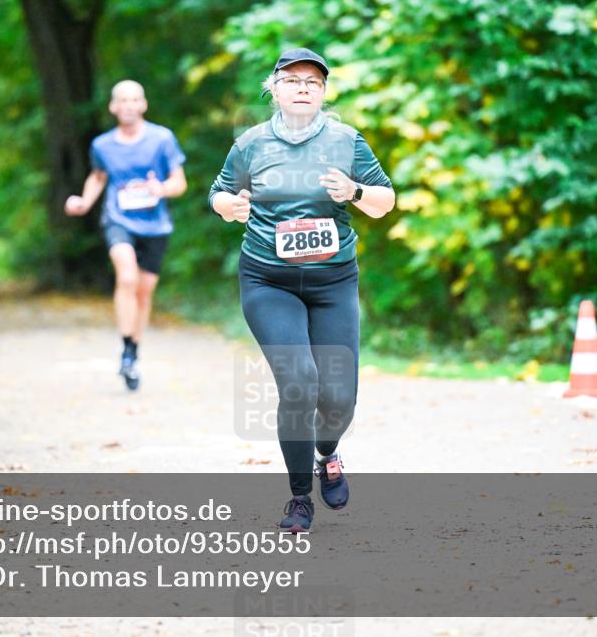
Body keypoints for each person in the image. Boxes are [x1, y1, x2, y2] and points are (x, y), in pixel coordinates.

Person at [209, 48, 395, 533]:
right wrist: (231, 205)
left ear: (324, 93)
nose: (304, 88)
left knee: (339, 398)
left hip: (333, 281)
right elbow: (219, 193)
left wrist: (353, 193)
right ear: (274, 88)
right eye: (293, 80)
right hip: (268, 279)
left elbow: (385, 201)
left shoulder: (347, 141)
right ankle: (298, 499)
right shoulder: (251, 143)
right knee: (299, 383)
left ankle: (328, 454)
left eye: (314, 82)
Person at [64, 80, 187, 391]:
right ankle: (126, 345)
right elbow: (98, 175)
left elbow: (179, 182)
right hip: (118, 220)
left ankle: (132, 351)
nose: (129, 105)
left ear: (143, 104)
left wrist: (161, 189)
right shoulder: (102, 145)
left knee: (144, 292)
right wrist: (84, 201)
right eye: (123, 100)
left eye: (135, 100)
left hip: (155, 225)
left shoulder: (162, 139)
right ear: (113, 107)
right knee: (128, 278)